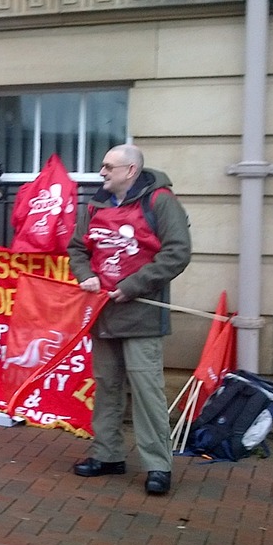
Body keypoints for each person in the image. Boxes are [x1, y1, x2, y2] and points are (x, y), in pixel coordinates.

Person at [68, 143, 191, 495]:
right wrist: (83, 274)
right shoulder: (95, 204)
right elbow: (78, 248)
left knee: (147, 392)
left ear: (130, 171)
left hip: (142, 315)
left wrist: (133, 286)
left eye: (108, 167)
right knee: (106, 386)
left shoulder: (161, 201)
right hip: (102, 313)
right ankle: (107, 455)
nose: (102, 172)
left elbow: (178, 251)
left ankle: (158, 465)